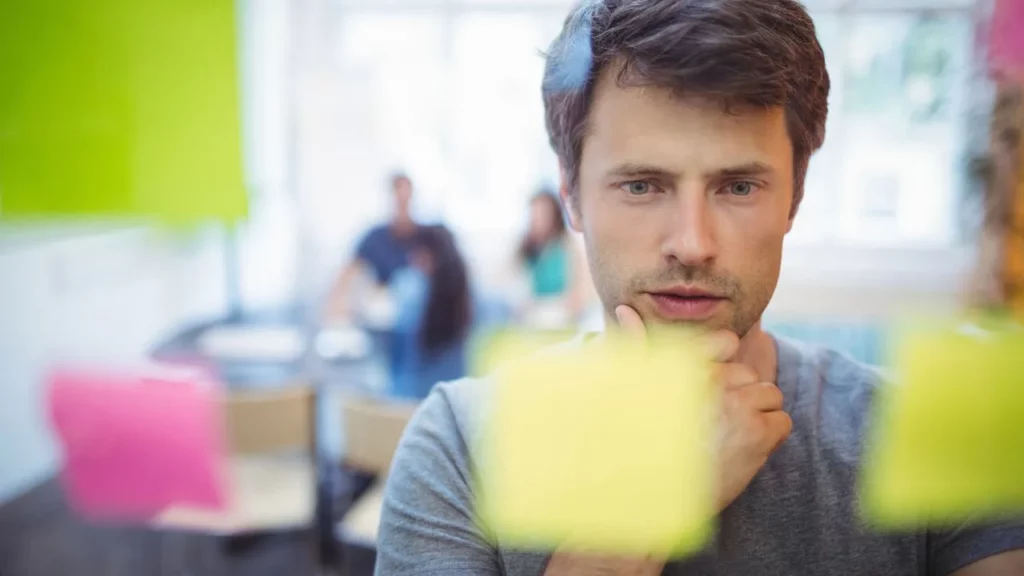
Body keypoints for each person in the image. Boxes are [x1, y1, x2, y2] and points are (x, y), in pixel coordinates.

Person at [376, 1, 1024, 575]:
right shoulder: (459, 444)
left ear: (796, 195)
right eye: (642, 185)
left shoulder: (928, 434)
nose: (691, 242)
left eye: (738, 187)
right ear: (571, 194)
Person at [390, 224, 473, 400]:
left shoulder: (412, 289)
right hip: (454, 399)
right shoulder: (469, 297)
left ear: (427, 255)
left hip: (410, 400)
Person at [326, 172, 422, 322]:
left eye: (406, 199)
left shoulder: (427, 237)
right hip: (385, 316)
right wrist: (337, 304)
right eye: (398, 199)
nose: (402, 204)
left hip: (420, 319)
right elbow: (347, 273)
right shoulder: (375, 238)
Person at [513, 189, 590, 328]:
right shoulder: (525, 248)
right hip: (532, 316)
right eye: (534, 214)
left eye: (543, 214)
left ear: (554, 216)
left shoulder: (568, 246)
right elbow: (516, 288)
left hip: (562, 317)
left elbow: (578, 293)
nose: (537, 219)